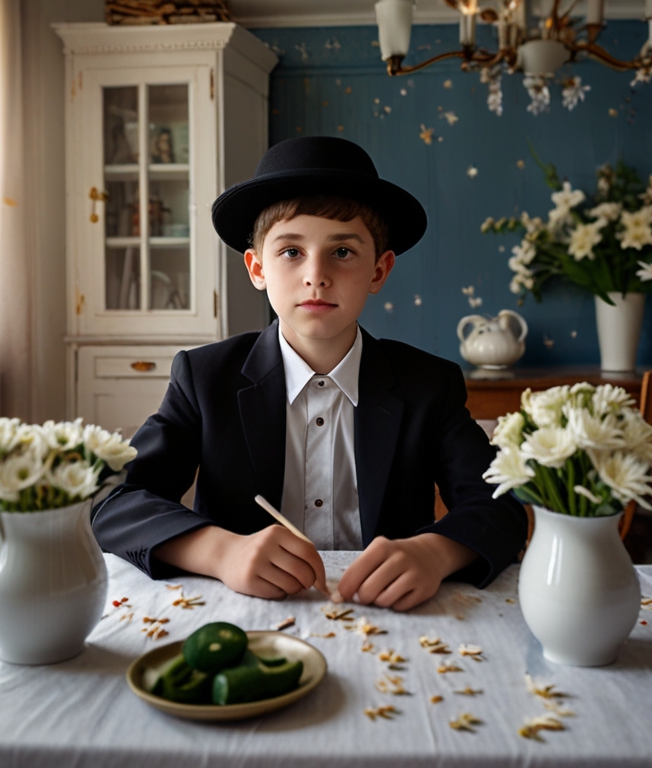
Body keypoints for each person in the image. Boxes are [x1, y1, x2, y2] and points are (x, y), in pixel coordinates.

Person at [91, 136, 527, 611]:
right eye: (291, 251)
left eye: (342, 252)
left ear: (379, 271)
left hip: (393, 618)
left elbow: (500, 506)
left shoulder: (429, 385)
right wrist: (219, 551)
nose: (316, 275)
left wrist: (436, 553)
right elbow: (114, 501)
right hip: (240, 614)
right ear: (257, 268)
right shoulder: (204, 377)